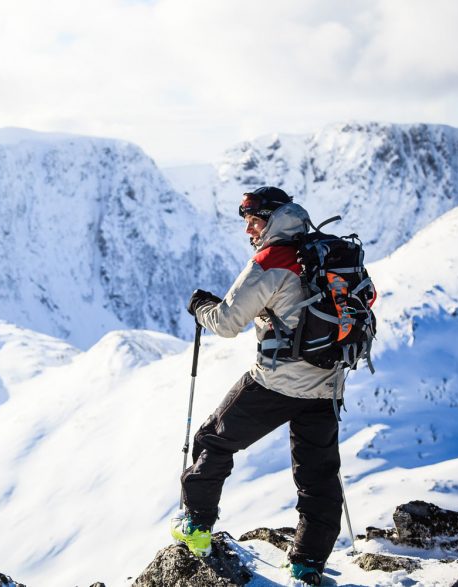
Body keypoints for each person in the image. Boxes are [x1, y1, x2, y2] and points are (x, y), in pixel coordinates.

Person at [170, 186, 344, 586]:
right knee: (318, 475)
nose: (249, 229)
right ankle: (307, 565)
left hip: (276, 383)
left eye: (254, 220)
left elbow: (228, 322)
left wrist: (201, 308)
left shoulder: (272, 259)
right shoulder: (326, 253)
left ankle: (196, 526)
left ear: (272, 218)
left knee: (213, 440)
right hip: (327, 383)